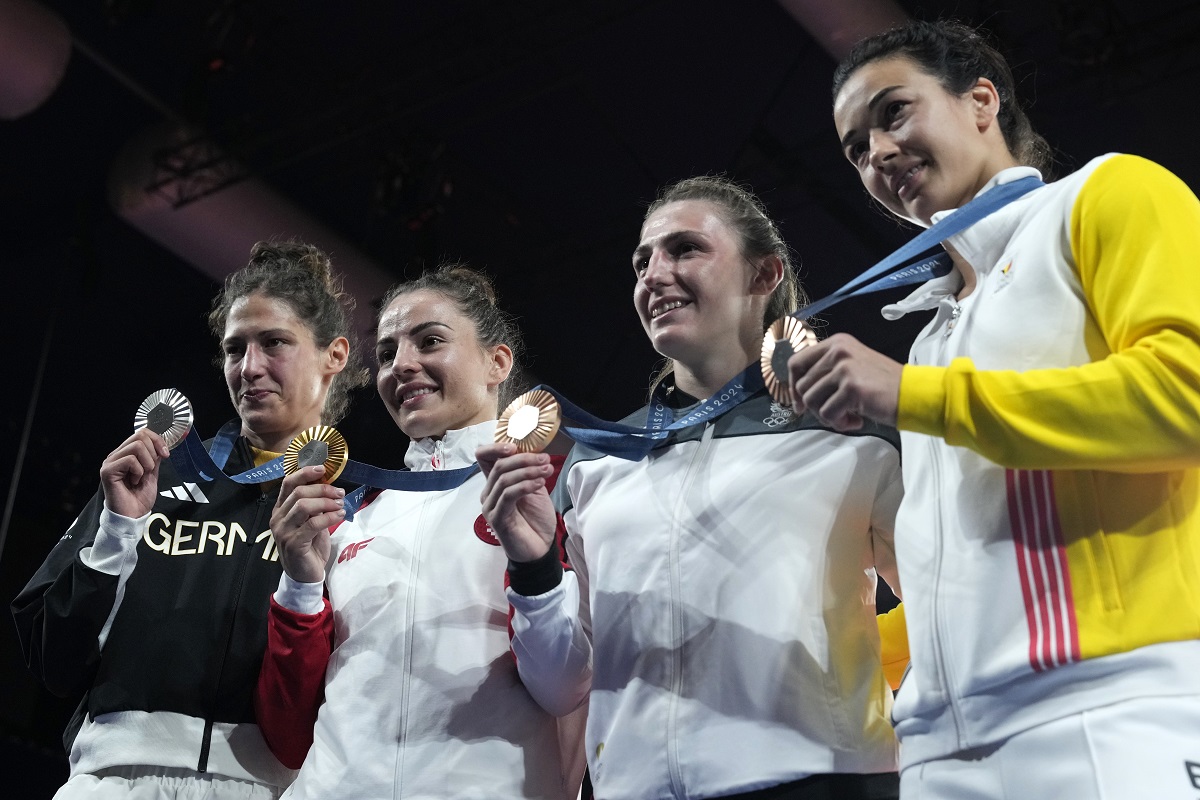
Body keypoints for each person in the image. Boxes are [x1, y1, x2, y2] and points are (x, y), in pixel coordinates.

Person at [786, 19, 1200, 799]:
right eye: (854, 148)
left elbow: (1186, 398)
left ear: (982, 101)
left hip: (1110, 702)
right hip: (943, 745)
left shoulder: (1107, 194)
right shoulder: (933, 332)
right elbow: (972, 559)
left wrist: (915, 397)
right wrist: (829, 653)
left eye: (894, 113)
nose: (876, 152)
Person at [477, 176, 904, 800]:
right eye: (641, 261)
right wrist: (536, 564)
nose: (653, 274)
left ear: (764, 276)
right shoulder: (600, 459)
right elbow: (562, 685)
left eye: (684, 250)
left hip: (820, 781)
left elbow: (943, 604)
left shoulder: (849, 432)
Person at [12, 241, 366, 799]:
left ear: (335, 354)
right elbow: (51, 659)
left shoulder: (359, 509)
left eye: (274, 343)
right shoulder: (149, 477)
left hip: (261, 787)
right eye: (234, 349)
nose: (249, 368)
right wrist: (116, 533)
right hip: (110, 780)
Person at [254, 263, 585, 800]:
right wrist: (299, 585)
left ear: (496, 362)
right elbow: (288, 738)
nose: (402, 365)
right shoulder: (353, 519)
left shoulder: (559, 495)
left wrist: (535, 565)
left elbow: (566, 689)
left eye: (429, 341)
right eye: (386, 354)